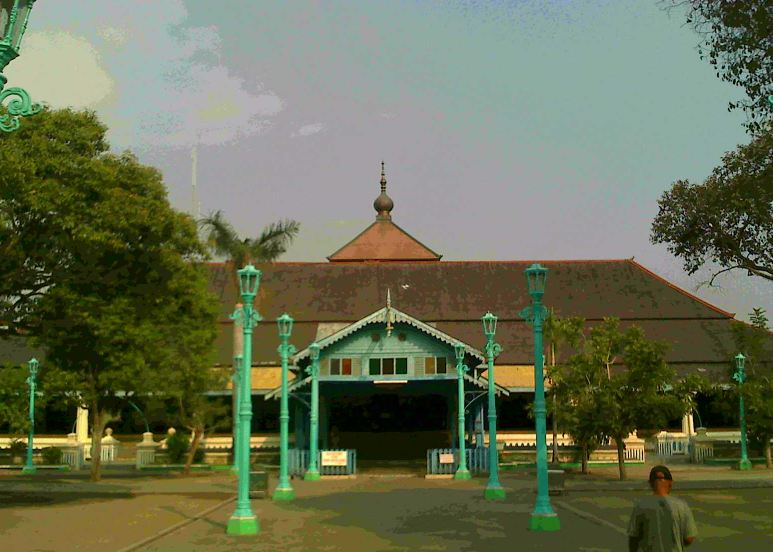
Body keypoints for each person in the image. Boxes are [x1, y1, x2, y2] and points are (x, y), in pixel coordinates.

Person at [628, 465, 698, 552]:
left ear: (650, 483)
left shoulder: (641, 506)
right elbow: (689, 539)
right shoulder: (681, 505)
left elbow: (633, 538)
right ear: (670, 483)